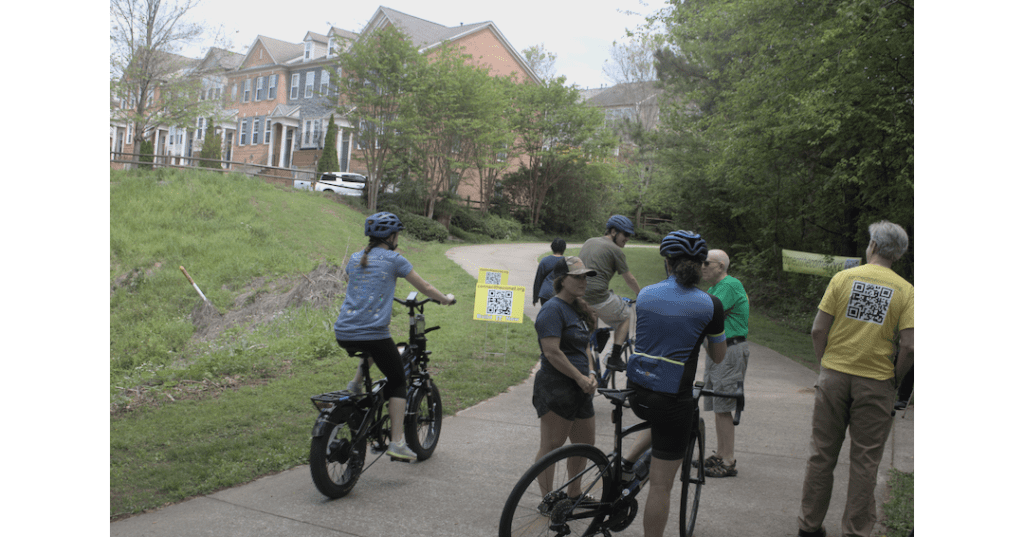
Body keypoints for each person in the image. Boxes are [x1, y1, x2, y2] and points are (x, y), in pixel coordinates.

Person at [797, 220, 914, 537]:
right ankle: (854, 530)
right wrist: (894, 378)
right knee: (865, 462)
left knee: (821, 454)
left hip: (834, 377)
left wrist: (826, 365)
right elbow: (909, 345)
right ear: (898, 254)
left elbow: (818, 329)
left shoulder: (844, 278)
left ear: (873, 246)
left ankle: (808, 526)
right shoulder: (905, 291)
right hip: (876, 383)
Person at [622, 230, 726, 537]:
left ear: (668, 262)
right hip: (672, 401)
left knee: (654, 422)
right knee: (662, 487)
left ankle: (623, 465)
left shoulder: (646, 294)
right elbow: (718, 356)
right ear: (700, 265)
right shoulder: (710, 304)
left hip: (636, 392)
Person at [334, 212, 456, 461]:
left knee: (375, 347)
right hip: (372, 333)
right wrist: (445, 299)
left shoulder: (356, 258)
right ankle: (397, 442)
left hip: (344, 331)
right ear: (391, 236)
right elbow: (425, 288)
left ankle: (355, 385)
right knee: (398, 380)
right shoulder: (394, 260)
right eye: (397, 234)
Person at [532, 256, 600, 501]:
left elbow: (586, 348)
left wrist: (591, 374)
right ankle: (548, 498)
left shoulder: (578, 308)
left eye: (585, 277)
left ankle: (574, 493)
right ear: (561, 280)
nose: (583, 281)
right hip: (556, 387)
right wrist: (579, 378)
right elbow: (552, 352)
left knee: (585, 444)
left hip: (581, 387)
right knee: (552, 445)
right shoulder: (552, 309)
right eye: (577, 277)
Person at [700, 249, 749, 478]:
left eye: (707, 263)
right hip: (719, 350)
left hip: (729, 350)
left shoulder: (729, 285)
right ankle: (720, 454)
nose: (702, 267)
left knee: (724, 404)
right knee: (718, 405)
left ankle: (728, 461)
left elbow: (708, 313)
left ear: (721, 266)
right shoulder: (715, 288)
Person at [578, 215, 642, 371]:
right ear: (613, 232)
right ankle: (614, 358)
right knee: (625, 315)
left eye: (629, 235)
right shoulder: (616, 250)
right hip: (597, 297)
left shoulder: (589, 241)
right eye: (625, 234)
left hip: (578, 296)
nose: (627, 238)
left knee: (590, 325)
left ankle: (594, 341)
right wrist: (642, 295)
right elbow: (630, 279)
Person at [532, 238, 567, 307]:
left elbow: (538, 280)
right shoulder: (567, 261)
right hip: (561, 293)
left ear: (552, 247)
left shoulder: (544, 261)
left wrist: (535, 298)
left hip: (546, 293)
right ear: (564, 248)